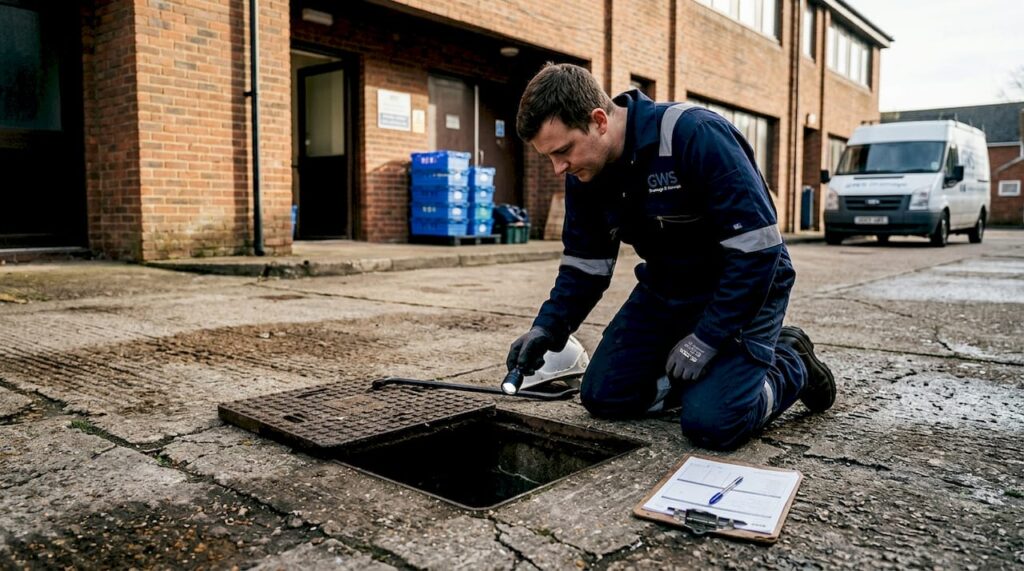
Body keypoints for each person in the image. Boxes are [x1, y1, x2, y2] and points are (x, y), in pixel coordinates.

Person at [506, 63, 835, 450]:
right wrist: (549, 328)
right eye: (549, 157)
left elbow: (758, 250)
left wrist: (708, 339)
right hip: (670, 287)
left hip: (747, 285)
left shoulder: (694, 135)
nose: (559, 167)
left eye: (562, 151)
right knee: (603, 396)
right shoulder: (585, 174)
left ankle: (789, 361)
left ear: (598, 121)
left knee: (714, 425)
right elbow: (585, 266)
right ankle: (715, 381)